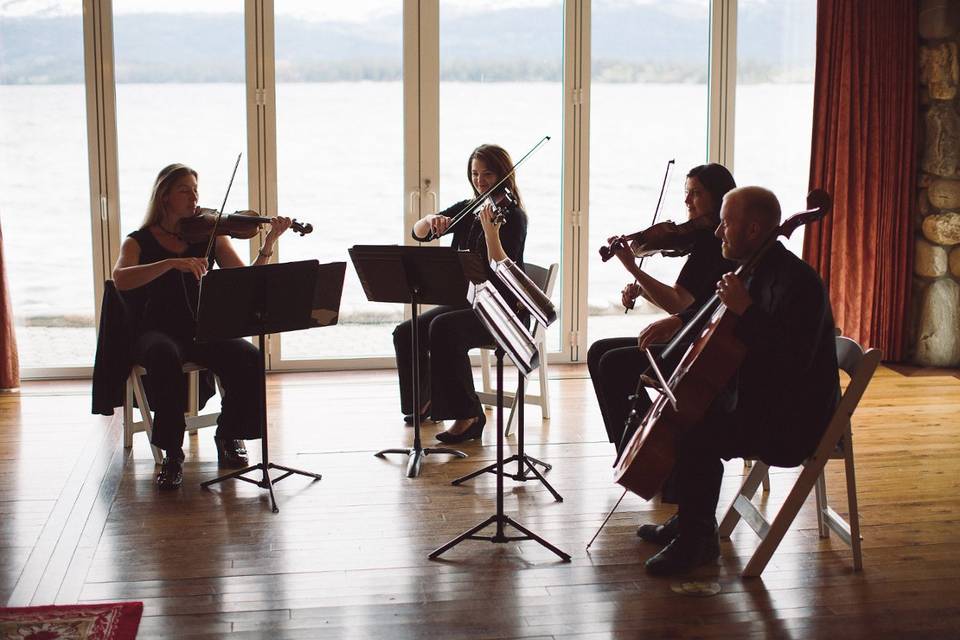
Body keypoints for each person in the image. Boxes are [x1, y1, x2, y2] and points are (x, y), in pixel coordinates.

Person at [638, 186, 840, 576]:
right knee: (687, 412)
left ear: (753, 228)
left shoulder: (798, 282)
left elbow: (791, 361)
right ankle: (694, 521)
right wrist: (682, 323)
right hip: (763, 399)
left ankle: (697, 543)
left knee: (695, 427)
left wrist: (745, 310)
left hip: (792, 420)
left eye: (726, 223)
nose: (717, 233)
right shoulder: (754, 268)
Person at [112, 163, 292, 490]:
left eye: (196, 190)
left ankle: (229, 434)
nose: (194, 198)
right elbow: (120, 279)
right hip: (155, 331)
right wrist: (172, 263)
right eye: (185, 190)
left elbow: (245, 281)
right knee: (164, 355)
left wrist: (267, 247)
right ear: (164, 197)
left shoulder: (210, 236)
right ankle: (172, 452)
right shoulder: (138, 241)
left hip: (200, 328)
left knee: (249, 357)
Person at [587, 163, 736, 456]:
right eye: (686, 192)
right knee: (597, 351)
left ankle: (648, 450)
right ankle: (634, 446)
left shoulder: (713, 244)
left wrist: (633, 268)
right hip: (693, 334)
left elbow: (679, 303)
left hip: (700, 349)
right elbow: (689, 302)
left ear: (719, 198)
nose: (686, 201)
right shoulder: (706, 241)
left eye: (696, 193)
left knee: (611, 363)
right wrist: (642, 290)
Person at [393, 144, 528, 444]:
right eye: (475, 174)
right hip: (470, 302)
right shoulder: (469, 208)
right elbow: (419, 233)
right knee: (406, 331)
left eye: (487, 174)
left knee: (443, 328)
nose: (480, 181)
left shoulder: (513, 217)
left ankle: (469, 415)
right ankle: (424, 401)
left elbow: (502, 266)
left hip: (502, 310)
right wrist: (430, 220)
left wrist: (491, 232)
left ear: (503, 175)